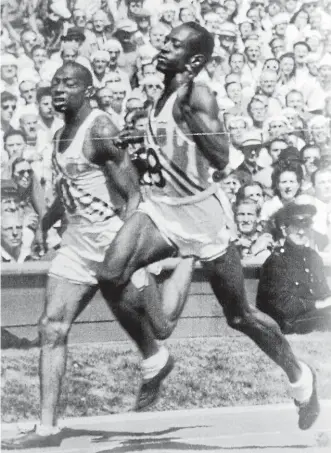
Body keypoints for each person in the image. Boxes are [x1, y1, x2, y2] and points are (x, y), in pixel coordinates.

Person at [95, 21, 319, 432]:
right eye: (164, 42)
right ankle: (155, 357)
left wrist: (192, 122)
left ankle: (301, 377)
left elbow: (219, 156)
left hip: (203, 217)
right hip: (163, 211)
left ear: (194, 60)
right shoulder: (160, 98)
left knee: (240, 316)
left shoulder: (194, 94)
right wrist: (143, 145)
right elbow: (168, 157)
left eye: (174, 45)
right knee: (110, 273)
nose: (163, 49)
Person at [2, 61, 194, 450]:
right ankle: (46, 429)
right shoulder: (59, 133)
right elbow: (71, 187)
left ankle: (187, 261)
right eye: (55, 83)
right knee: (51, 326)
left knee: (161, 325)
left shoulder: (102, 129)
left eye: (69, 83)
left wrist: (130, 247)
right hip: (76, 245)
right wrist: (48, 219)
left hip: (111, 241)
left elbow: (134, 194)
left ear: (88, 91)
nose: (59, 90)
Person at [257, 202, 331, 333]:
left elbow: (323, 292)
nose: (302, 231)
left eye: (306, 225)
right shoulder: (276, 261)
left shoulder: (313, 257)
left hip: (312, 318)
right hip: (287, 324)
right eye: (296, 226)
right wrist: (317, 304)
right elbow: (282, 306)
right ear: (284, 229)